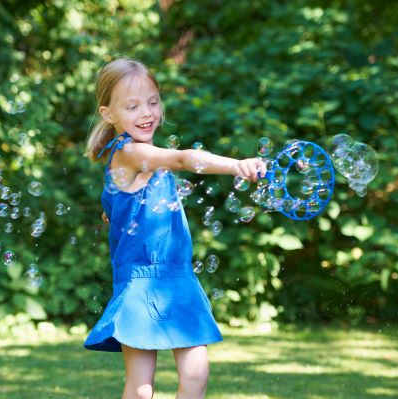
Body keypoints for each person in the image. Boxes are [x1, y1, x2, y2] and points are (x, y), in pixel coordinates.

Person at [83, 56, 266, 399]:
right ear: (109, 114)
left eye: (153, 102)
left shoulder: (139, 156)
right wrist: (235, 165)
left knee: (197, 373)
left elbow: (114, 205)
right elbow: (183, 159)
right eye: (133, 106)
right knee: (140, 388)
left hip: (178, 275)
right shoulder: (131, 153)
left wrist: (113, 213)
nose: (147, 112)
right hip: (141, 279)